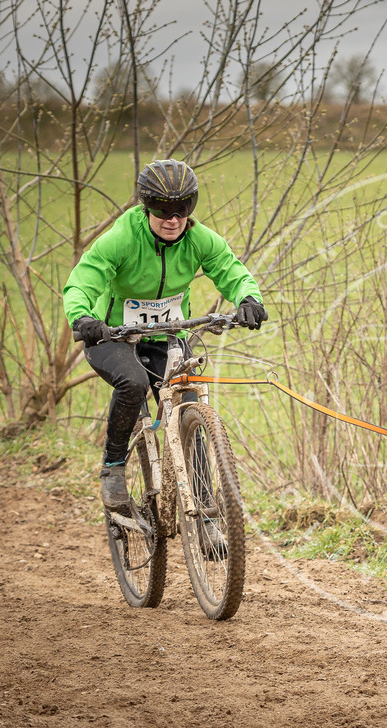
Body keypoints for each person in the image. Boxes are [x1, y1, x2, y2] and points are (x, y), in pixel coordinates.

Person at [63, 159, 267, 518]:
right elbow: (83, 279)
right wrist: (82, 316)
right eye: (162, 209)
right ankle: (113, 467)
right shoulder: (122, 238)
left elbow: (231, 269)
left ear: (192, 207)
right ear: (146, 206)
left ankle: (204, 507)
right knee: (133, 383)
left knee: (189, 406)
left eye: (182, 208)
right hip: (112, 336)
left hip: (168, 336)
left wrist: (249, 299)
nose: (173, 218)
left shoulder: (199, 238)